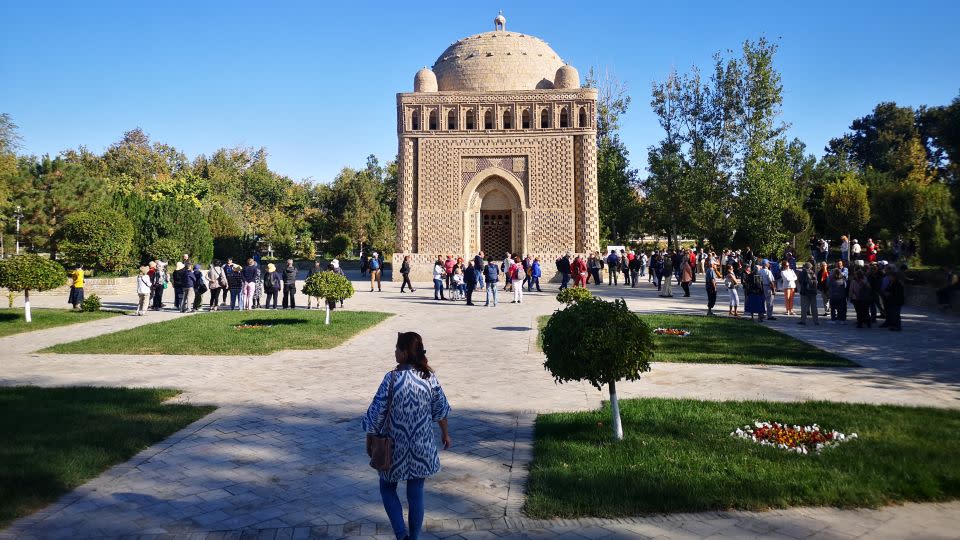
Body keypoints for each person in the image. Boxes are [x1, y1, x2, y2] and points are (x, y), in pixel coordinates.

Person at [363, 332, 451, 540]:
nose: (394, 351)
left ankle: (401, 535)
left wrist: (370, 437)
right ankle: (415, 537)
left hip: (394, 448)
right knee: (416, 492)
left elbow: (376, 415)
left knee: (387, 487)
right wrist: (445, 434)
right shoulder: (429, 378)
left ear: (403, 353)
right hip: (421, 446)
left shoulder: (391, 379)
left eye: (396, 348)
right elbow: (441, 410)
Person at [797, 262, 820, 326]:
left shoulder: (802, 273)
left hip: (805, 292)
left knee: (804, 307)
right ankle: (816, 321)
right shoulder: (813, 272)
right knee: (814, 307)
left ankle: (803, 320)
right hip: (813, 292)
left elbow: (800, 281)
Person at [883, 267, 904, 331]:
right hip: (892, 301)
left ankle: (897, 326)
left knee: (896, 314)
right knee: (893, 314)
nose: (889, 278)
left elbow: (897, 293)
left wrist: (889, 294)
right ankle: (893, 325)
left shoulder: (897, 283)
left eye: (890, 277)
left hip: (897, 301)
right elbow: (887, 289)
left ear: (894, 277)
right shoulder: (891, 283)